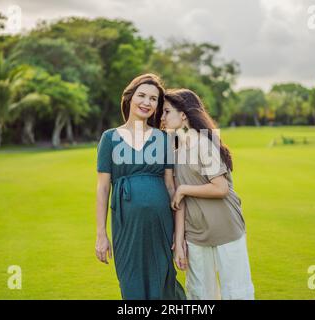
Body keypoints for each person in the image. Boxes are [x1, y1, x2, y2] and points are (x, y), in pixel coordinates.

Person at [95, 74, 186, 300]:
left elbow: (170, 186)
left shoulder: (164, 139)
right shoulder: (109, 138)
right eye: (142, 96)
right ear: (129, 98)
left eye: (153, 99)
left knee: (163, 280)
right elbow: (103, 189)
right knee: (130, 282)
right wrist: (100, 234)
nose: (147, 102)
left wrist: (179, 234)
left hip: (161, 225)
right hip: (126, 225)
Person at [161, 88, 255, 300]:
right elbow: (179, 203)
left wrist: (184, 189)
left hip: (226, 229)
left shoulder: (203, 143)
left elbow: (220, 188)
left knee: (236, 293)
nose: (162, 118)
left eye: (167, 112)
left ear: (183, 114)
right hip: (195, 235)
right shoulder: (176, 152)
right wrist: (179, 240)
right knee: (200, 295)